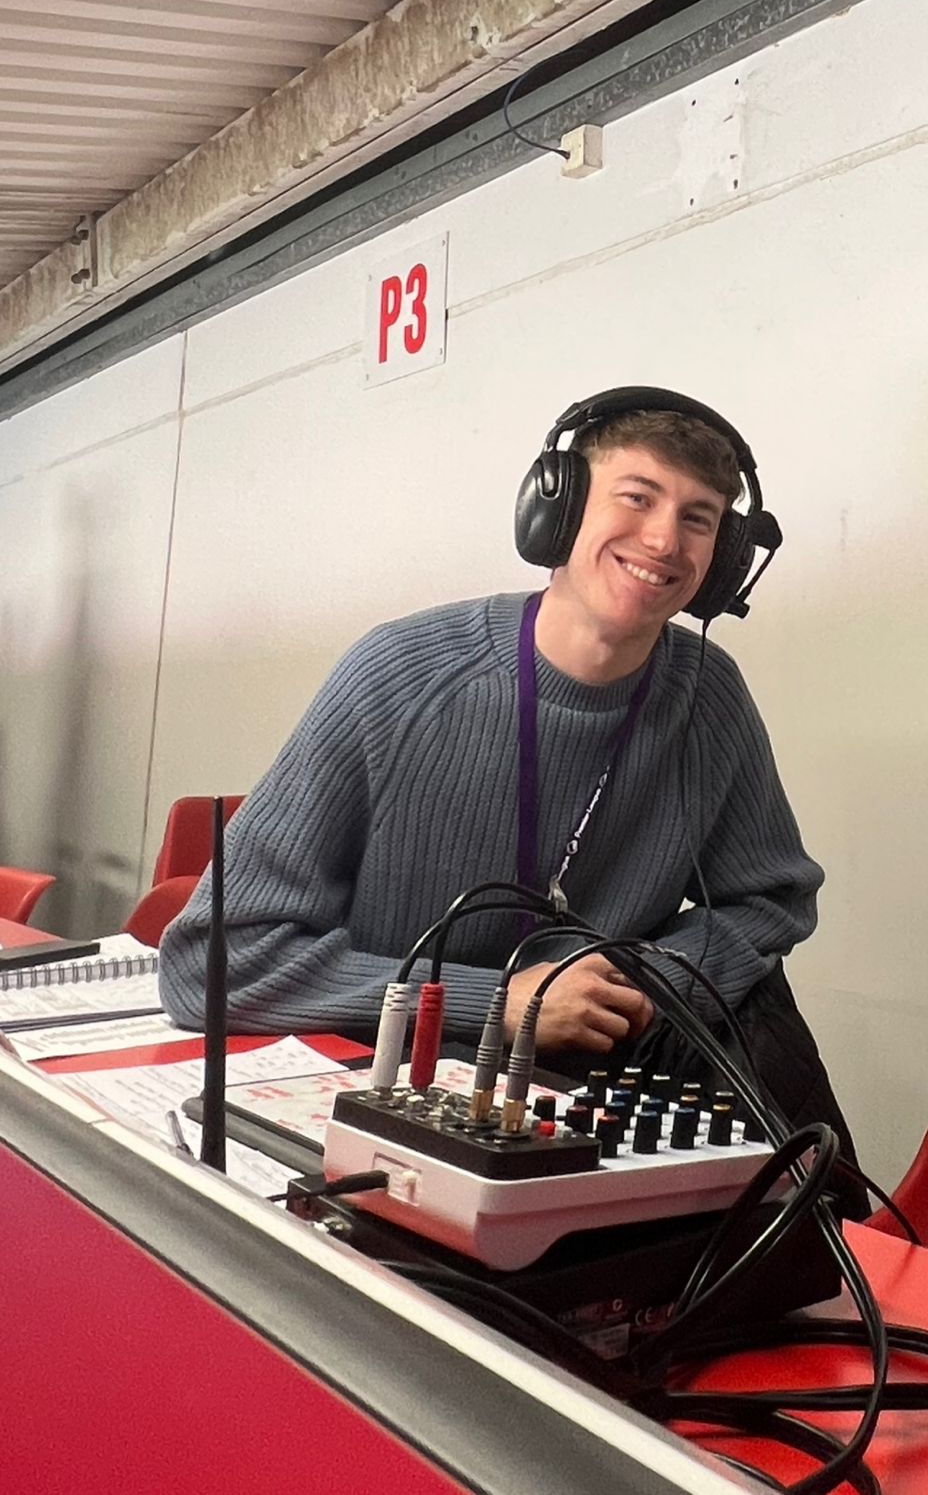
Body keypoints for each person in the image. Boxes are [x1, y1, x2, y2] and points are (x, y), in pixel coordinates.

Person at [160, 388, 848, 1146]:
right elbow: (209, 964)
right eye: (637, 497)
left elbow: (772, 900)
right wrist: (498, 1001)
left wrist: (645, 982)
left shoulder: (708, 695)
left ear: (724, 563)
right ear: (555, 512)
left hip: (593, 1109)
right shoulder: (398, 676)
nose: (663, 539)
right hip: (387, 1102)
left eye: (698, 517)